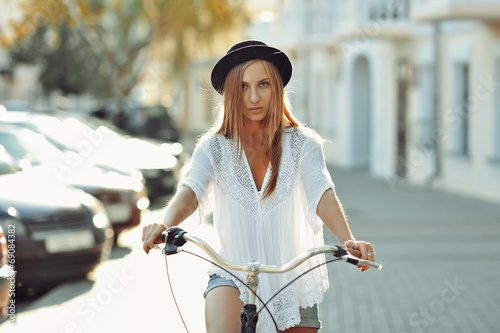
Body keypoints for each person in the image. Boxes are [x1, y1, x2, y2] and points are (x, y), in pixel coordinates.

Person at [142, 40, 376, 333]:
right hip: (232, 273)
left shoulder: (304, 144)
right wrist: (163, 224)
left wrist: (348, 240)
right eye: (243, 86)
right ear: (230, 92)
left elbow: (320, 191)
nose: (253, 97)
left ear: (276, 88)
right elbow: (190, 192)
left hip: (293, 279)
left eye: (263, 84)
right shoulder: (213, 147)